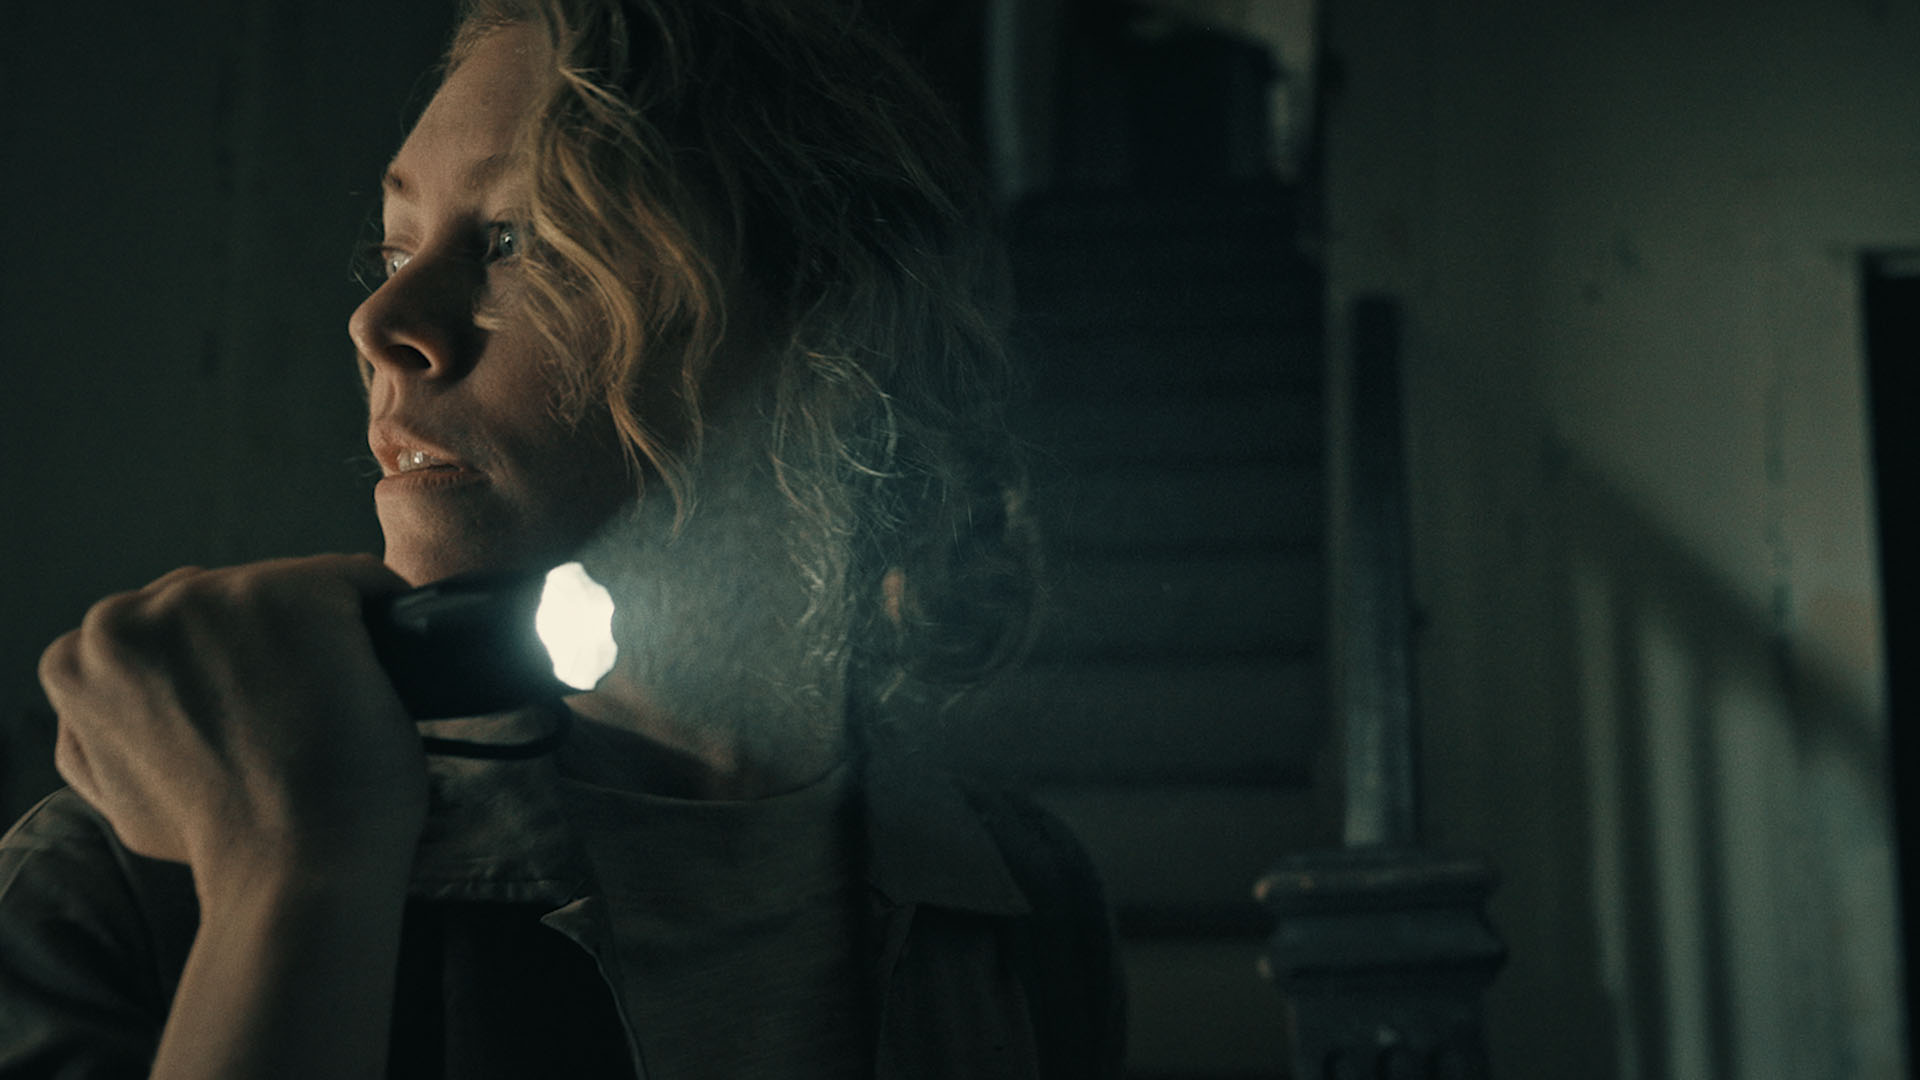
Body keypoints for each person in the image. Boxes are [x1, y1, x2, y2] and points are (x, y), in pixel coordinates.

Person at [0, 0, 1125, 1075]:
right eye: (394, 251)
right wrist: (289, 886)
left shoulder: (1023, 901)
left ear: (830, 326)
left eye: (514, 238)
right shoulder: (124, 886)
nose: (379, 322)